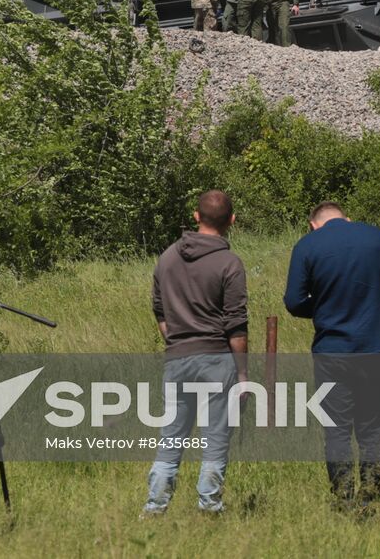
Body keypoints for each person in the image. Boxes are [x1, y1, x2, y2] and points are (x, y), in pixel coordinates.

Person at [284, 202, 380, 512]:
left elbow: (294, 301)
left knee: (337, 430)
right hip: (374, 348)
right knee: (372, 430)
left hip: (332, 351)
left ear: (313, 225)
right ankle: (370, 499)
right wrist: (374, 302)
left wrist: (326, 306)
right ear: (348, 219)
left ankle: (343, 500)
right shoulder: (377, 237)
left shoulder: (307, 245)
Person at [144, 190, 249, 515]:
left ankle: (154, 507)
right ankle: (209, 507)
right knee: (215, 439)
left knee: (171, 439)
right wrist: (242, 374)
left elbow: (160, 311)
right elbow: (236, 325)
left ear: (196, 216)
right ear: (232, 220)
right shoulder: (230, 263)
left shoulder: (167, 257)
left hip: (177, 357)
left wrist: (176, 341)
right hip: (217, 358)